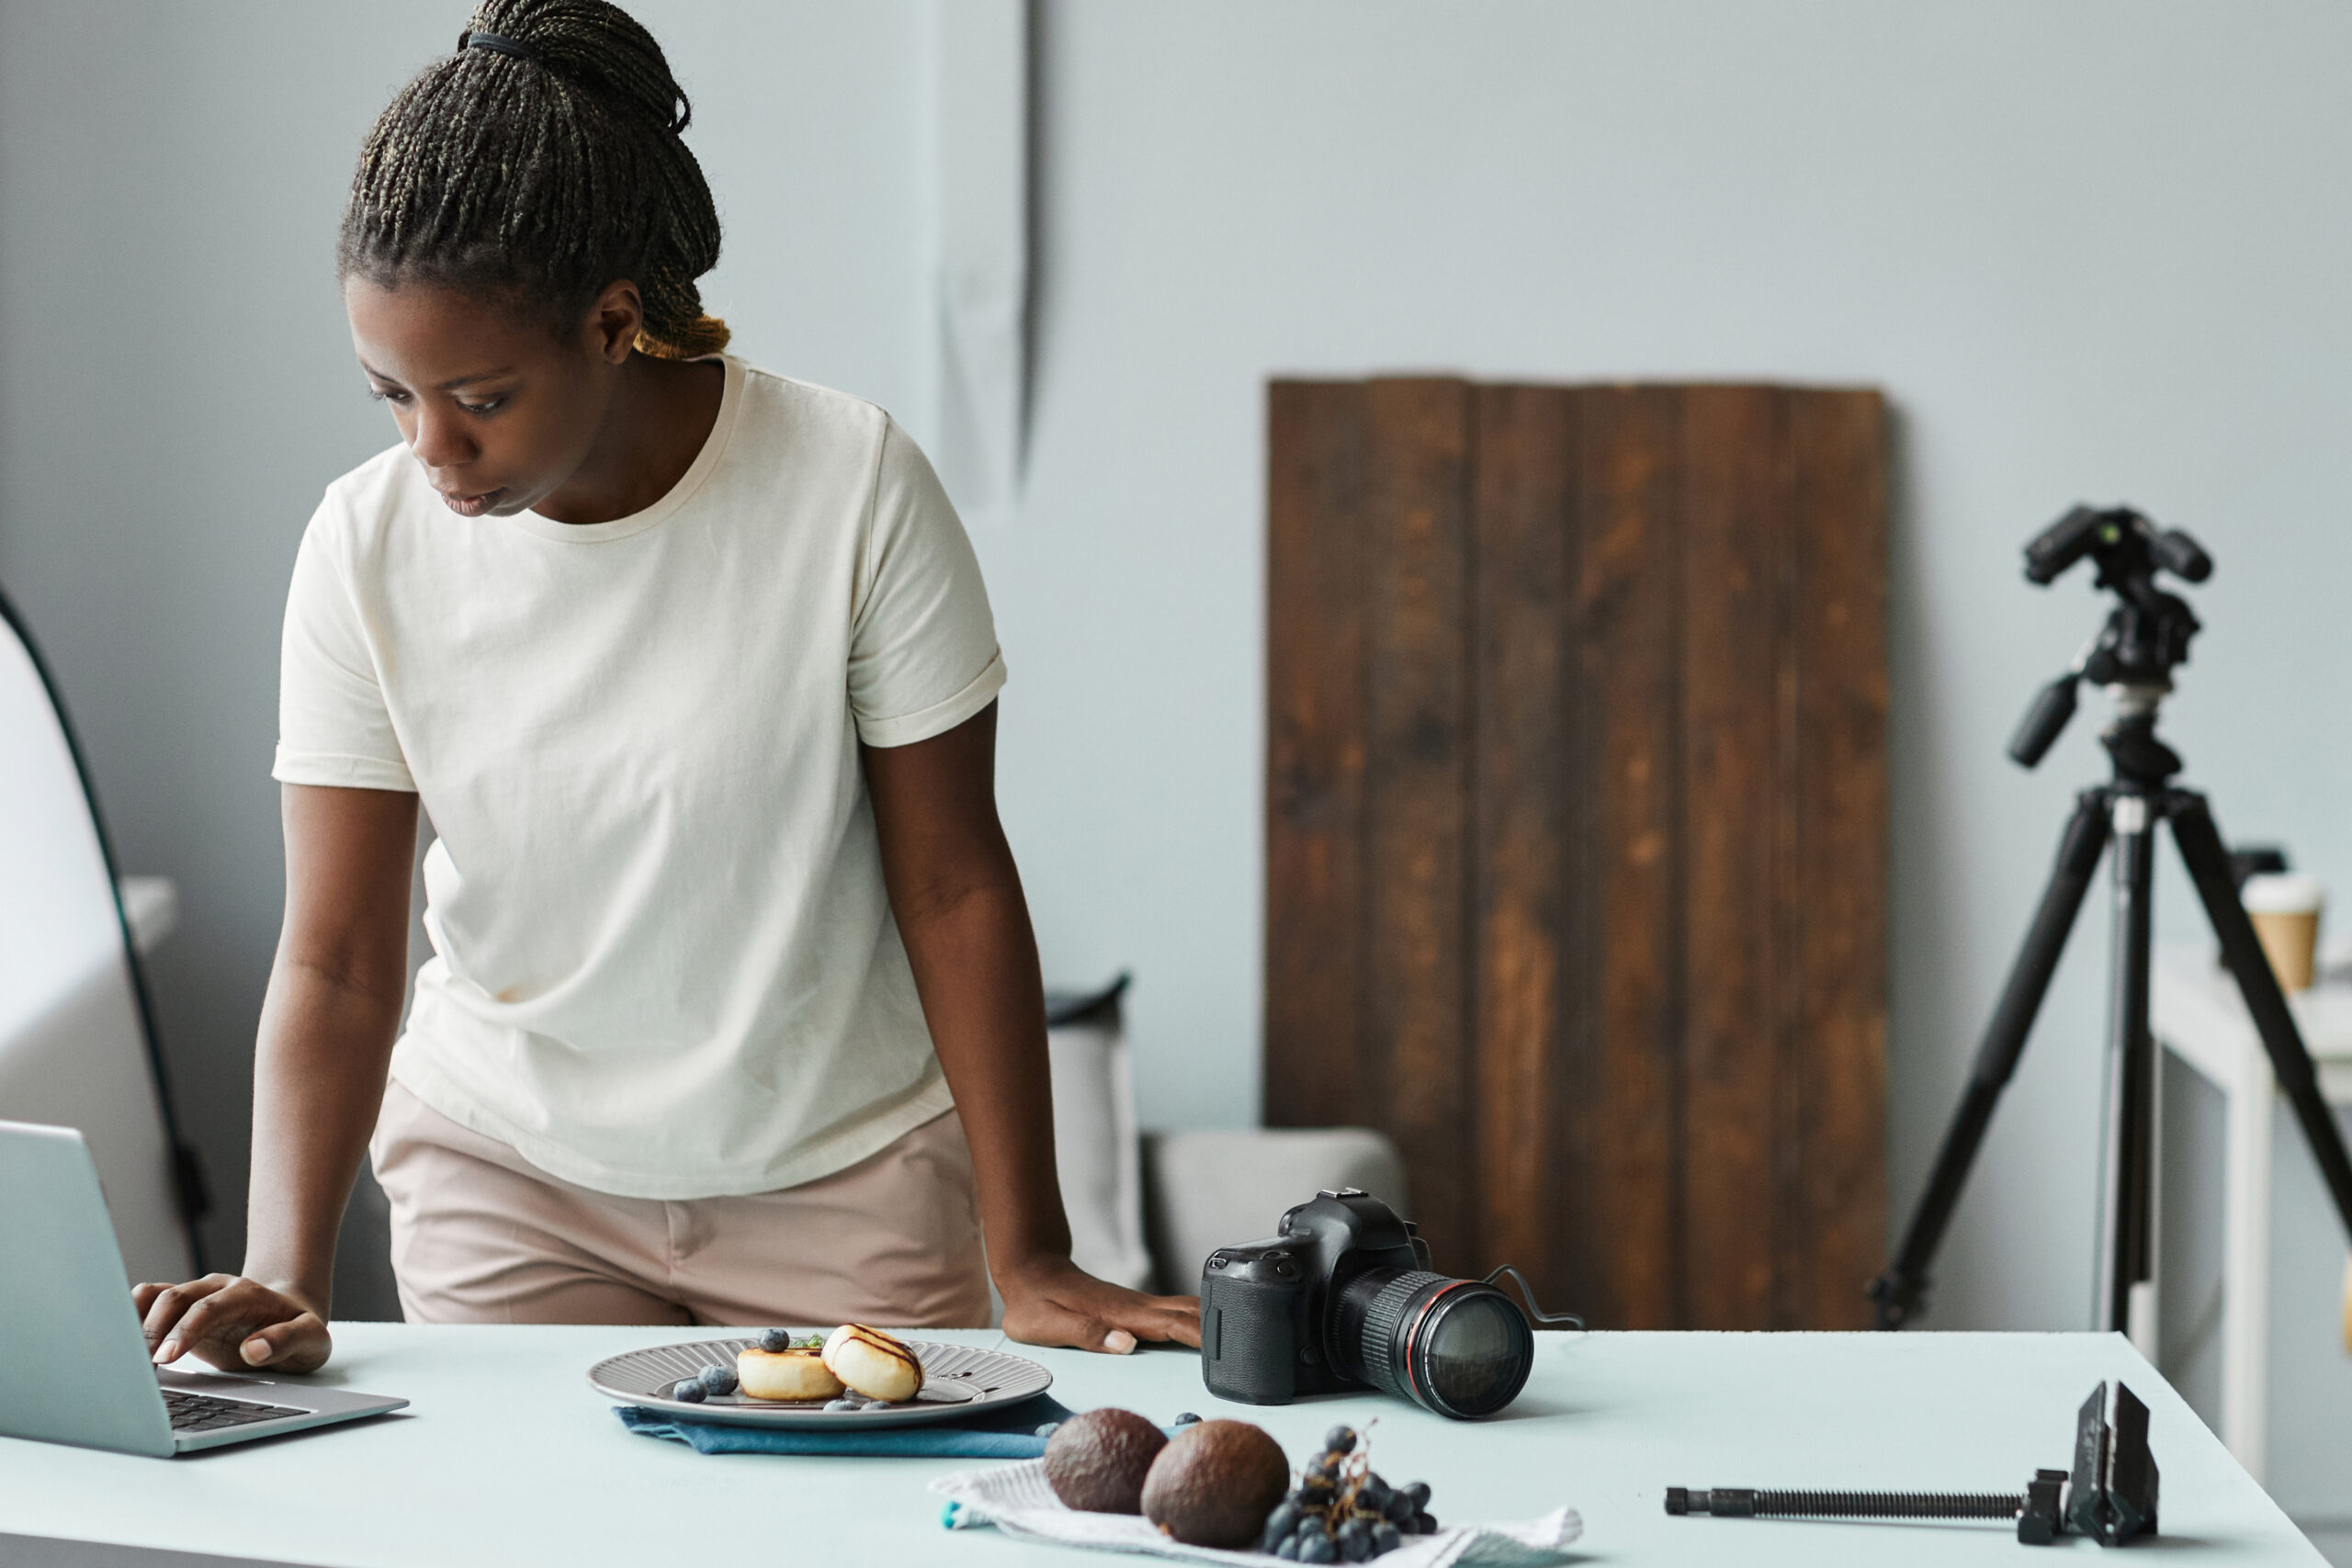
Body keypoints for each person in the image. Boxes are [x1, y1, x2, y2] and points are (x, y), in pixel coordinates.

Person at [132, 0, 1198, 1374]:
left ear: (614, 320)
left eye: (480, 397)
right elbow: (338, 958)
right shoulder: (363, 543)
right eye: (390, 396)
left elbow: (955, 886)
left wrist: (1032, 1253)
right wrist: (286, 1267)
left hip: (842, 1176)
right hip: (508, 1179)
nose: (434, 450)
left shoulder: (850, 487)